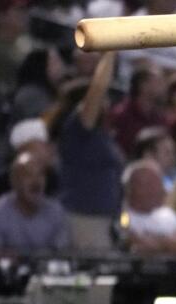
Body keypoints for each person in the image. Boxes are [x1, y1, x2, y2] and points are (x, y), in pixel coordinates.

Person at [53, 53, 124, 251]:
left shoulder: (100, 134)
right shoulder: (77, 129)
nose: (107, 102)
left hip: (105, 218)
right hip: (83, 217)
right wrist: (111, 51)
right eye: (102, 99)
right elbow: (98, 87)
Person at [0, 153, 70, 252]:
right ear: (14, 182)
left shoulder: (56, 212)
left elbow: (63, 255)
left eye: (40, 174)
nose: (36, 181)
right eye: (28, 175)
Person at [120, 160, 176, 255]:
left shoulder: (168, 214)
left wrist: (158, 242)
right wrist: (173, 243)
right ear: (131, 187)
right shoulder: (123, 215)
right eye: (149, 185)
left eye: (158, 184)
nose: (158, 190)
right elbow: (133, 242)